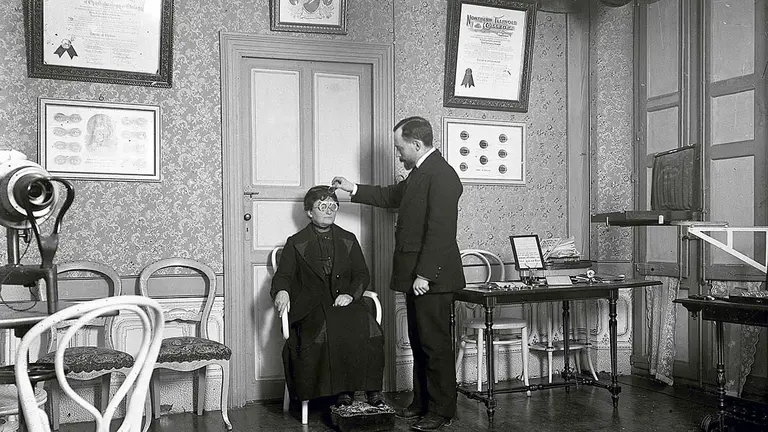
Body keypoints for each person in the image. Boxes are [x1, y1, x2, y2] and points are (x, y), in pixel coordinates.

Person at [332, 116, 465, 432]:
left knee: (435, 346)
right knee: (420, 343)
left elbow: (440, 232)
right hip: (418, 277)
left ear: (416, 144)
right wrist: (353, 189)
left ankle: (441, 411)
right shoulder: (421, 172)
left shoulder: (443, 176)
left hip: (432, 279)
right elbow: (392, 196)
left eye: (399, 147)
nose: (397, 154)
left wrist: (425, 275)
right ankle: (422, 404)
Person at [271, 185, 385, 410]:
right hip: (311, 307)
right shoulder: (295, 242)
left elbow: (362, 274)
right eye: (322, 206)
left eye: (333, 205)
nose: (329, 210)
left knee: (370, 328)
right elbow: (283, 276)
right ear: (309, 212)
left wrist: (350, 295)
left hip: (346, 302)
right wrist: (282, 291)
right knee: (328, 329)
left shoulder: (348, 238)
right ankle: (341, 392)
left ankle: (371, 390)